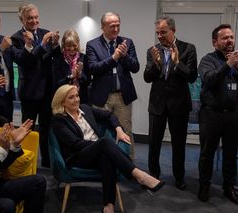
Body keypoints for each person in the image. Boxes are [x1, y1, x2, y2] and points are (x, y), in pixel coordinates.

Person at [51, 84, 164, 213]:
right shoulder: (59, 120)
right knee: (104, 143)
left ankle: (108, 208)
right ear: (62, 102)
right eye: (71, 97)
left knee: (107, 158)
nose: (76, 99)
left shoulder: (86, 109)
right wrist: (99, 145)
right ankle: (138, 175)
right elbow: (75, 144)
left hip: (99, 153)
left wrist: (118, 129)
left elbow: (109, 115)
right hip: (79, 157)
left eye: (77, 95)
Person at [197, 24, 238, 205]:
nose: (230, 40)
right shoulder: (207, 59)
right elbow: (209, 79)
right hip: (211, 114)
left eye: (231, 37)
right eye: (225, 38)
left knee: (231, 153)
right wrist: (228, 64)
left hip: (232, 115)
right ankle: (204, 185)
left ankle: (229, 187)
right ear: (215, 42)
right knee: (207, 153)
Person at [143, 16, 198, 190]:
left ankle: (179, 177)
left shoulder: (188, 48)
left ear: (173, 30)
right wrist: (156, 64)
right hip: (157, 104)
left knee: (178, 144)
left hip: (179, 104)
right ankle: (153, 176)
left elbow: (192, 76)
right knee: (154, 143)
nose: (160, 36)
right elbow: (147, 78)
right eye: (157, 33)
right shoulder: (153, 50)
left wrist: (177, 62)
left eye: (163, 32)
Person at [11, 3, 60, 168]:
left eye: (36, 17)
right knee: (27, 130)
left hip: (48, 91)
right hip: (30, 92)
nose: (34, 21)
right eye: (30, 18)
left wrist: (55, 45)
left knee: (47, 129)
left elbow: (55, 57)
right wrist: (39, 45)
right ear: (22, 19)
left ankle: (47, 162)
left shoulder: (45, 33)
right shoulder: (16, 38)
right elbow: (23, 60)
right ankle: (26, 161)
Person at [85, 12, 139, 159]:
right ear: (103, 27)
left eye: (118, 25)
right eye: (112, 26)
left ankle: (129, 164)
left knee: (126, 130)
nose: (116, 29)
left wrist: (124, 55)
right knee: (101, 130)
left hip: (123, 96)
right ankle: (102, 163)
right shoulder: (92, 45)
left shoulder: (127, 42)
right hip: (102, 96)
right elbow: (93, 68)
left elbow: (135, 67)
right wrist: (113, 58)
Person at [52, 28, 89, 103]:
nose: (72, 48)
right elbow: (57, 83)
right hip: (63, 98)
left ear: (78, 44)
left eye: (74, 45)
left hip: (81, 98)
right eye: (68, 46)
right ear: (64, 45)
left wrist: (79, 74)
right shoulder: (59, 58)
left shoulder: (83, 57)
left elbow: (88, 81)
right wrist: (71, 76)